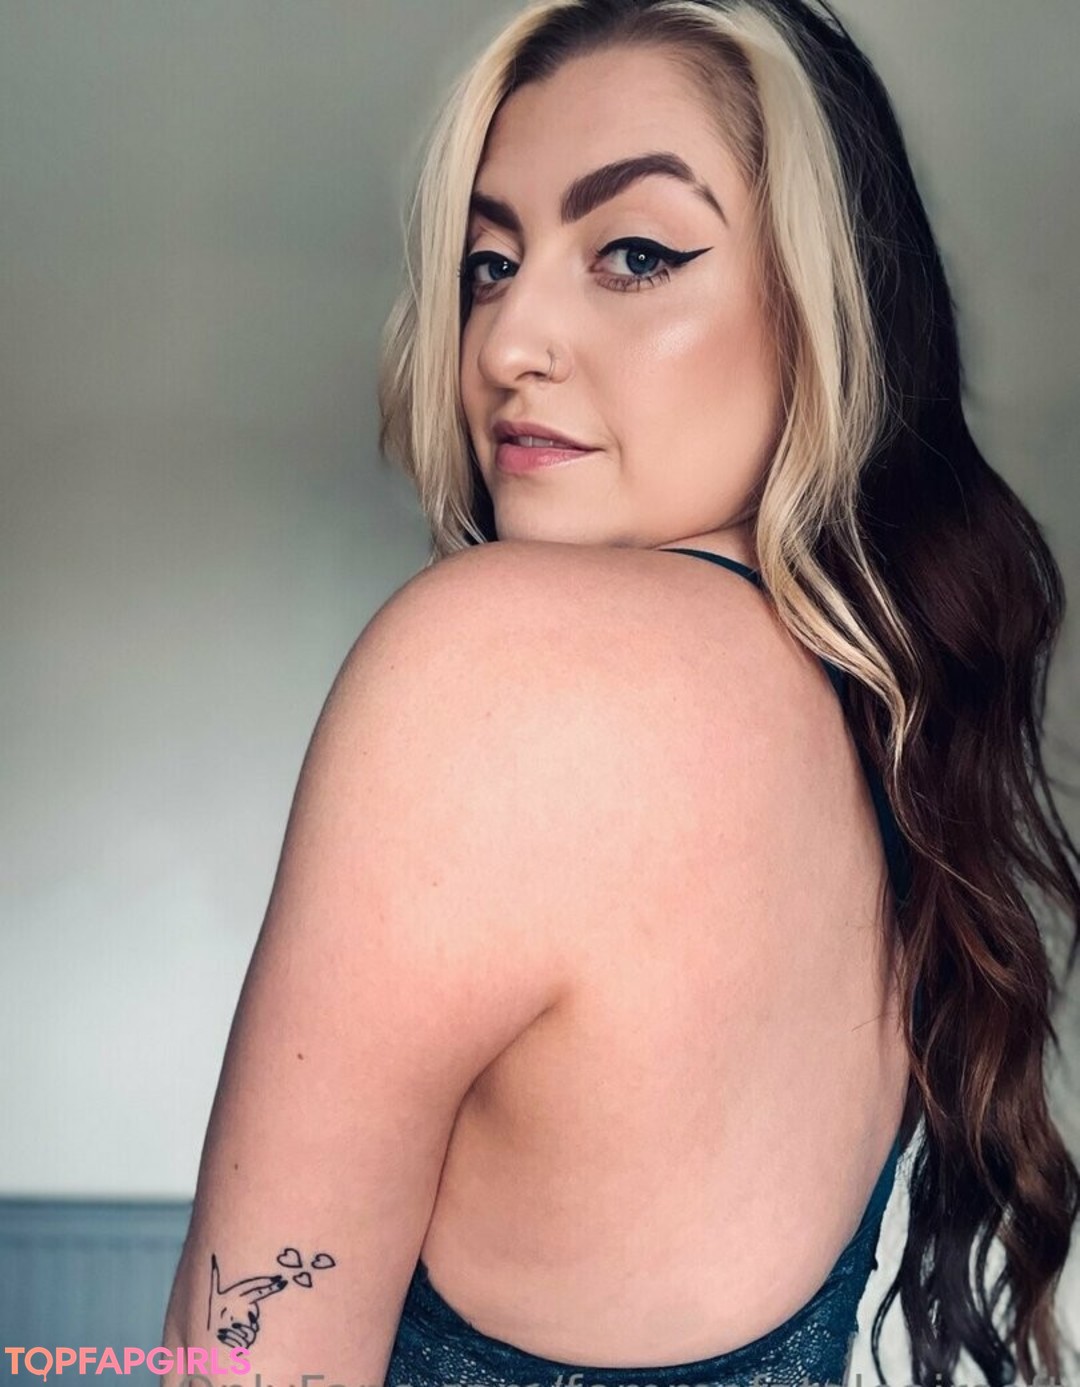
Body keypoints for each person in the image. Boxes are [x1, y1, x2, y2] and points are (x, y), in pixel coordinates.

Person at [160, 2, 1080, 1384]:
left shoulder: (496, 668)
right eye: (489, 263)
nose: (508, 341)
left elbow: (237, 1362)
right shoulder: (872, 737)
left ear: (828, 309)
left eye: (637, 254)